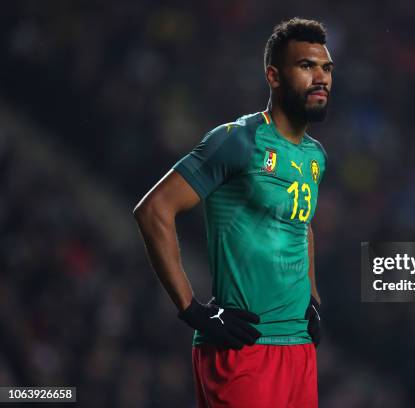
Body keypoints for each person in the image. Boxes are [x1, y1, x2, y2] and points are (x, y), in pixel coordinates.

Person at [133, 17, 333, 408]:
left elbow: (301, 226)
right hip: (244, 349)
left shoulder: (316, 156)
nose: (321, 77)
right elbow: (154, 210)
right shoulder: (237, 140)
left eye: (326, 67)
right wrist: (192, 310)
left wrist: (312, 296)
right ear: (273, 76)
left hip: (299, 352)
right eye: (306, 66)